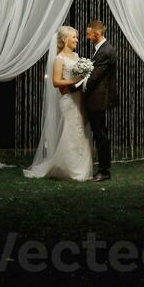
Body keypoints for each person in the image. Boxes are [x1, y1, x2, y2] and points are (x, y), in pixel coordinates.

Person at [23, 26, 94, 181]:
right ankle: (69, 168)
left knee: (83, 130)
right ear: (64, 39)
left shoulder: (76, 56)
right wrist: (75, 81)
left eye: (76, 37)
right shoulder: (59, 59)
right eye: (73, 37)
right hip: (68, 99)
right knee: (72, 131)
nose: (76, 40)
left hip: (80, 98)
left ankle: (82, 167)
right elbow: (56, 82)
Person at [69, 20, 117, 182]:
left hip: (98, 99)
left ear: (97, 34)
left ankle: (104, 171)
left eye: (89, 34)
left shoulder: (105, 51)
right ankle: (103, 168)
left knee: (100, 134)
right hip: (97, 98)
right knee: (99, 133)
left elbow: (94, 78)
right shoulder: (102, 49)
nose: (88, 37)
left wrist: (73, 87)